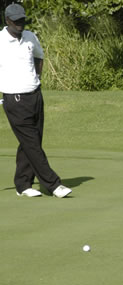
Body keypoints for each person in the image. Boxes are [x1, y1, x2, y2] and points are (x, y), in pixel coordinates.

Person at [0, 3, 72, 198]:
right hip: (14, 99)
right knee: (31, 142)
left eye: (22, 20)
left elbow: (39, 57)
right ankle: (53, 184)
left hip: (35, 95)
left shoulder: (31, 37)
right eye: (16, 21)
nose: (20, 24)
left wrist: (37, 80)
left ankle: (22, 185)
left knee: (31, 141)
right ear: (7, 20)